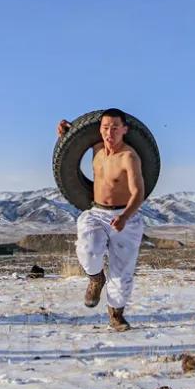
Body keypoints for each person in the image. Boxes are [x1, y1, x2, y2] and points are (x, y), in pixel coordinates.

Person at [56, 109, 145, 331]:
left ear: (125, 129)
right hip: (96, 212)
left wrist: (124, 217)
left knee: (122, 273)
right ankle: (96, 278)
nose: (109, 132)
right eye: (105, 127)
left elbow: (138, 193)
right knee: (88, 247)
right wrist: (67, 133)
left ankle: (115, 314)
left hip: (127, 216)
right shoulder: (96, 148)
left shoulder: (129, 157)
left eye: (115, 128)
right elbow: (73, 143)